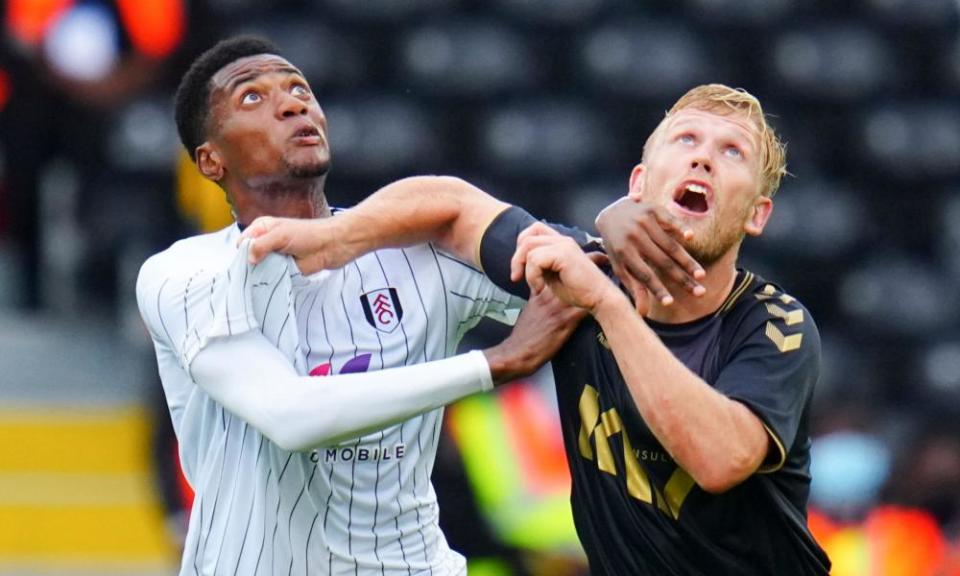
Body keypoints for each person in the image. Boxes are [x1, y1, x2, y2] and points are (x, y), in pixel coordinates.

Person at [242, 84, 832, 575]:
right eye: (686, 140)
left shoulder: (774, 324)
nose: (703, 158)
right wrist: (333, 239)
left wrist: (605, 303)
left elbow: (719, 457)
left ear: (757, 214)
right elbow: (453, 205)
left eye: (732, 152)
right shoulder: (587, 271)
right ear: (638, 183)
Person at [136, 36, 584, 575]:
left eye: (300, 89)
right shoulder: (184, 273)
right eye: (252, 98)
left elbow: (584, 283)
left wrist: (610, 235)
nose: (293, 103)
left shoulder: (421, 256)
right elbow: (289, 414)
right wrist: (492, 364)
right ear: (210, 160)